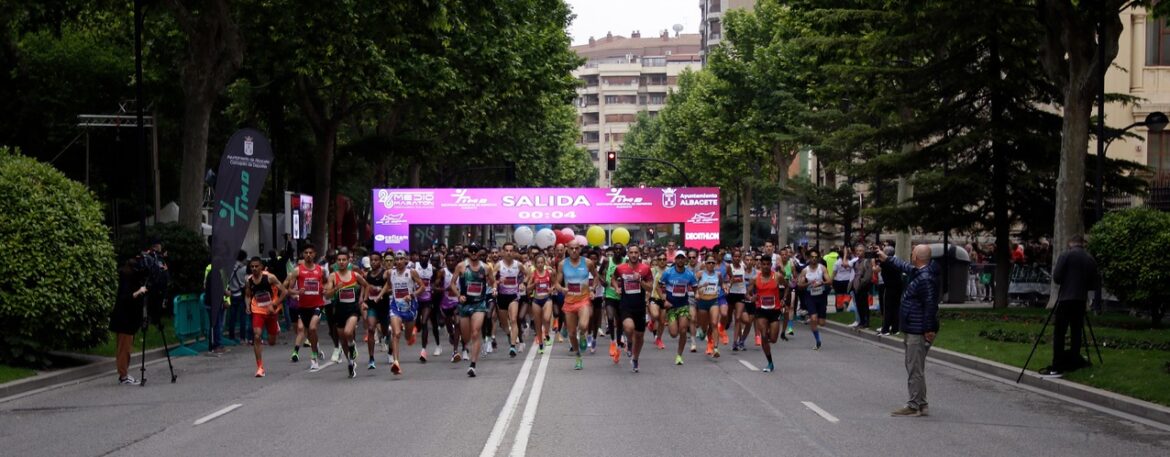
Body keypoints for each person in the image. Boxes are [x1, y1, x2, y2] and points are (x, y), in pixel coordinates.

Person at [878, 244, 939, 417]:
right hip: (915, 326)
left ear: (917, 257)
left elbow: (930, 306)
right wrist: (886, 258)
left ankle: (914, 405)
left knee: (914, 368)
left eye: (912, 253)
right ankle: (921, 403)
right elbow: (904, 266)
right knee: (915, 367)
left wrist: (928, 329)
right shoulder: (921, 272)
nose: (910, 256)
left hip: (918, 329)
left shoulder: (925, 278)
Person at [1041, 235, 1099, 378]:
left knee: (1060, 333)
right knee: (1076, 332)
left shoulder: (1066, 255)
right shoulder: (1090, 258)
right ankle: (1074, 361)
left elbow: (1057, 277)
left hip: (1066, 298)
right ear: (1082, 244)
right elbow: (1093, 283)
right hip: (1080, 300)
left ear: (1070, 243)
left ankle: (1057, 365)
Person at [325, 251, 372, 379]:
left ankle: (352, 345)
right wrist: (335, 289)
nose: (341, 262)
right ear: (336, 262)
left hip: (352, 309)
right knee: (342, 340)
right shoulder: (333, 276)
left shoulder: (355, 275)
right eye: (339, 260)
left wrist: (363, 300)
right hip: (339, 310)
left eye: (344, 260)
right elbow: (326, 295)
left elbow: (367, 286)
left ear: (348, 261)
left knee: (347, 333)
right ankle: (350, 362)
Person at [451, 245, 496, 377]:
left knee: (475, 332)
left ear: (479, 253)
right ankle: (468, 346)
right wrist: (459, 295)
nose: (474, 254)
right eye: (471, 252)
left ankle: (473, 365)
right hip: (465, 304)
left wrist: (493, 286)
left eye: (476, 252)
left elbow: (493, 282)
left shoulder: (486, 268)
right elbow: (452, 283)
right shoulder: (461, 266)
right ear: (468, 253)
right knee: (466, 337)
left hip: (479, 304)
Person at [554, 240, 599, 370]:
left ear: (580, 249)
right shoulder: (562, 264)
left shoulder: (588, 262)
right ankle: (578, 356)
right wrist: (562, 289)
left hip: (583, 299)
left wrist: (592, 289)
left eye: (576, 248)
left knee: (584, 325)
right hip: (569, 301)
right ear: (567, 249)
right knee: (572, 334)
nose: (574, 251)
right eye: (571, 248)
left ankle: (583, 334)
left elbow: (596, 277)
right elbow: (557, 283)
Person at [284, 244, 327, 370]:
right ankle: (317, 347)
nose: (308, 255)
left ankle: (313, 358)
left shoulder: (320, 270)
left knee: (312, 328)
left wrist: (324, 290)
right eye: (306, 252)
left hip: (317, 305)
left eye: (311, 252)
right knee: (307, 331)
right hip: (303, 306)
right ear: (303, 254)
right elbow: (289, 290)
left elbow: (325, 284)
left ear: (314, 254)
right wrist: (298, 293)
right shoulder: (297, 270)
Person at [244, 256, 286, 377]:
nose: (254, 269)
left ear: (261, 267)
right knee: (257, 335)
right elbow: (247, 295)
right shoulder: (249, 280)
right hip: (257, 309)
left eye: (256, 266)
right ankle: (260, 367)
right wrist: (247, 305)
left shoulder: (270, 278)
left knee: (271, 342)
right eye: (252, 267)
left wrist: (274, 304)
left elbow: (284, 292)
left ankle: (275, 328)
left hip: (271, 311)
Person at [613, 245, 653, 372]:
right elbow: (613, 278)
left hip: (640, 306)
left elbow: (650, 288)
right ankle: (629, 342)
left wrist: (640, 280)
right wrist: (616, 287)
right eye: (631, 252)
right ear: (628, 254)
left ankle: (635, 359)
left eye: (636, 252)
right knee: (629, 328)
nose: (634, 255)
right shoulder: (620, 268)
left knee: (640, 336)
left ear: (639, 254)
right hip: (626, 305)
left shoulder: (645, 269)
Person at [110, 257, 149, 385]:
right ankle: (123, 375)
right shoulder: (127, 281)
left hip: (126, 320)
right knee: (124, 349)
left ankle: (124, 374)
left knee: (125, 348)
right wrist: (139, 291)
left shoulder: (127, 278)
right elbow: (126, 297)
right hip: (124, 320)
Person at [750, 255, 790, 373]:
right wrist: (752, 297)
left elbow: (788, 287)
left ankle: (767, 335)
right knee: (763, 336)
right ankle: (770, 362)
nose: (766, 266)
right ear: (760, 265)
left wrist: (783, 299)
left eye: (768, 264)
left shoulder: (777, 276)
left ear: (770, 265)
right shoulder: (755, 279)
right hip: (761, 310)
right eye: (764, 264)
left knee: (773, 339)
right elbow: (747, 293)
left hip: (774, 311)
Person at [385, 252, 424, 375]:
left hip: (410, 308)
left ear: (406, 260)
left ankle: (411, 333)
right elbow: (389, 286)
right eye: (397, 259)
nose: (399, 261)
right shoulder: (390, 273)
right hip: (395, 307)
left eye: (402, 259)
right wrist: (385, 293)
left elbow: (422, 287)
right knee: (396, 333)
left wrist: (412, 295)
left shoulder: (411, 272)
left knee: (407, 337)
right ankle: (396, 362)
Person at [659, 252, 696, 365]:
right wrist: (664, 300)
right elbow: (658, 287)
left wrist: (696, 297)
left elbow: (695, 287)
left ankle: (679, 355)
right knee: (674, 334)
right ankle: (679, 334)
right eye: (678, 258)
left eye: (682, 258)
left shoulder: (689, 274)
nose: (680, 260)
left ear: (685, 260)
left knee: (683, 330)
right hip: (671, 307)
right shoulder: (668, 272)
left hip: (683, 306)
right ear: (675, 260)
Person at [495, 242, 527, 358]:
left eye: (511, 251)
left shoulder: (518, 265)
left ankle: (513, 346)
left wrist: (523, 282)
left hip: (514, 296)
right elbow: (492, 280)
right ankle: (509, 334)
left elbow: (528, 274)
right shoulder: (498, 265)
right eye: (506, 251)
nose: (508, 253)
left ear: (514, 252)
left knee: (513, 319)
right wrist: (498, 282)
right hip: (502, 296)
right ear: (503, 252)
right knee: (504, 324)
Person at [362, 252, 390, 369]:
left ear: (381, 261)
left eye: (376, 260)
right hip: (372, 305)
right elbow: (365, 288)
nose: (373, 262)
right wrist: (363, 301)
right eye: (372, 260)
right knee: (371, 328)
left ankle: (387, 337)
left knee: (384, 330)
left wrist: (380, 290)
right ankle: (371, 358)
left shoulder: (385, 274)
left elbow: (391, 288)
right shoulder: (367, 275)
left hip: (384, 306)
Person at [694, 254, 725, 358]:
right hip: (702, 302)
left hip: (714, 301)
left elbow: (721, 285)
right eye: (709, 262)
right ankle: (703, 331)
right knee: (703, 326)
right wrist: (698, 292)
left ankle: (716, 348)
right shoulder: (700, 274)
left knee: (714, 323)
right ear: (705, 263)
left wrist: (725, 288)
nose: (711, 264)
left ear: (715, 264)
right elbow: (693, 286)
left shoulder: (718, 274)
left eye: (713, 263)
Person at [797, 249, 828, 350]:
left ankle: (815, 319)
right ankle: (818, 340)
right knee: (814, 319)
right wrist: (808, 284)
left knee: (822, 323)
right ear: (809, 258)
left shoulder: (822, 268)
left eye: (816, 257)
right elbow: (799, 285)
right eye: (812, 257)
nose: (814, 259)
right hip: (810, 297)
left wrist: (822, 282)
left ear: (818, 258)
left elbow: (829, 280)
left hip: (821, 296)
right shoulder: (805, 270)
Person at [527, 253, 555, 354]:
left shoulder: (549, 273)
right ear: (535, 264)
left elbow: (555, 284)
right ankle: (541, 344)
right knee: (538, 324)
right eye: (538, 263)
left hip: (547, 299)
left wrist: (552, 289)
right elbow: (528, 288)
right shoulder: (533, 274)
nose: (540, 264)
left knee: (547, 318)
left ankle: (546, 333)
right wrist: (534, 283)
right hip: (536, 300)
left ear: (544, 263)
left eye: (541, 262)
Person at [225, 250, 251, 344]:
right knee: (242, 317)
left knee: (232, 316)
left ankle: (231, 337)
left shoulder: (229, 268)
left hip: (232, 293)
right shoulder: (244, 269)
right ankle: (242, 338)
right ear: (243, 258)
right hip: (241, 294)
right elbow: (246, 281)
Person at [878, 246, 903, 335]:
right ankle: (895, 328)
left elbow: (876, 269)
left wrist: (874, 262)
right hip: (898, 287)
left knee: (887, 308)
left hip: (889, 287)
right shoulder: (896, 262)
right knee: (896, 308)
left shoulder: (885, 263)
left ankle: (885, 329)